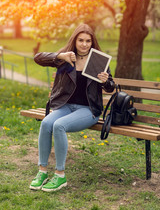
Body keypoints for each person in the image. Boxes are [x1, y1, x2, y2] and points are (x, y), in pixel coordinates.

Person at [30, 23, 115, 192]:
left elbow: (111, 88)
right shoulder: (67, 57)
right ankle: (42, 171)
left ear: (92, 42)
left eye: (88, 41)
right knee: (46, 123)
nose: (84, 44)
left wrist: (106, 81)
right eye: (81, 40)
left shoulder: (97, 60)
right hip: (66, 106)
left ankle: (60, 175)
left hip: (88, 110)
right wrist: (60, 56)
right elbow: (38, 58)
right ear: (75, 41)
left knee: (58, 126)